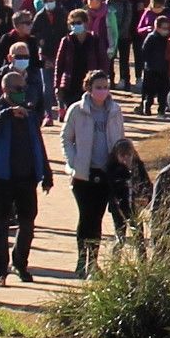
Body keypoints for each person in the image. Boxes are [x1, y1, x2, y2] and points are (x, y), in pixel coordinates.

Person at [0, 79, 55, 283]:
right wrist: (6, 114)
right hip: (0, 176)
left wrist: (47, 174)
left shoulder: (30, 114)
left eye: (24, 88)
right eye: (17, 89)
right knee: (1, 225)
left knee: (27, 224)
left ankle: (20, 264)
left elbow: (38, 143)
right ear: (5, 89)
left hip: (27, 177)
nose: (22, 92)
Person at [61, 74, 129, 279]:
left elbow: (121, 139)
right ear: (89, 88)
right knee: (86, 217)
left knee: (98, 218)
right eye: (98, 87)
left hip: (107, 172)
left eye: (106, 86)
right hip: (84, 174)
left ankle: (93, 262)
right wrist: (74, 163)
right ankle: (82, 261)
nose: (103, 91)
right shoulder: (77, 110)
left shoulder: (115, 110)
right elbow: (66, 138)